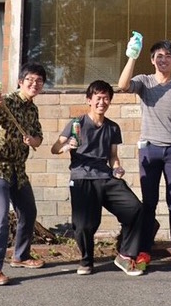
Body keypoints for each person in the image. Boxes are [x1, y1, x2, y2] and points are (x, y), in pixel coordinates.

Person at [118, 36, 171, 272]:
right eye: (159, 56)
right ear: (152, 60)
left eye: (168, 56)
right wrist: (131, 56)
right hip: (149, 149)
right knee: (149, 203)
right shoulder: (144, 81)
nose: (163, 59)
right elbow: (123, 85)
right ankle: (144, 251)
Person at [50, 80, 144, 277]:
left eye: (106, 98)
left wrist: (117, 168)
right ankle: (86, 261)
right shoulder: (77, 123)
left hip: (105, 176)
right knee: (84, 224)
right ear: (89, 100)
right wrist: (67, 146)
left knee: (135, 208)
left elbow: (113, 156)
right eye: (98, 98)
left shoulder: (113, 127)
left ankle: (125, 255)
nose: (102, 102)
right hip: (82, 176)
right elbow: (55, 148)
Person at [0, 62, 46, 286]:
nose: (34, 84)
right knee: (0, 215)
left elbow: (38, 139)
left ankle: (20, 256)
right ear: (20, 82)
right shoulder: (7, 101)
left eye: (39, 81)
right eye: (30, 80)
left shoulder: (32, 109)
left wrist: (32, 140)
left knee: (28, 211)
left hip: (17, 168)